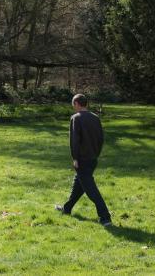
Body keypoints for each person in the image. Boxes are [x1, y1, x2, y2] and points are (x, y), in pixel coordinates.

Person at [55, 93, 112, 226]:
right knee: (79, 184)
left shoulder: (76, 118)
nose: (72, 106)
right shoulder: (95, 118)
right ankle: (67, 208)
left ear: (76, 104)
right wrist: (96, 153)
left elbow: (74, 140)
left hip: (82, 159)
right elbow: (101, 139)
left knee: (91, 190)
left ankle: (105, 217)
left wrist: (75, 158)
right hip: (93, 158)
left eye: (72, 104)